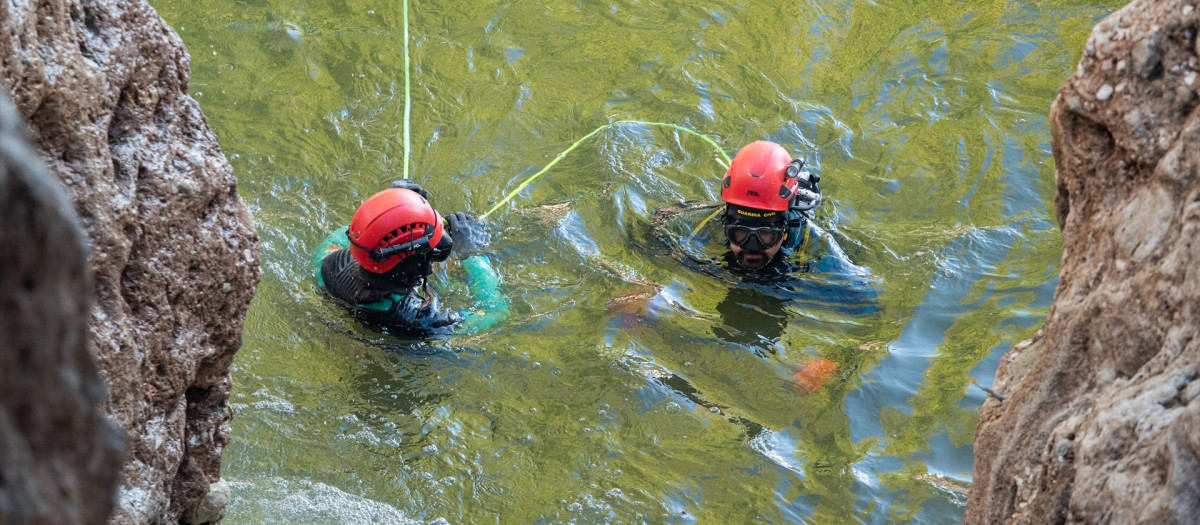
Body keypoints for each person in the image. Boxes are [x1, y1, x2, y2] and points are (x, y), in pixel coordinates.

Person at [313, 180, 507, 336]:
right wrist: (473, 254)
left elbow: (344, 236)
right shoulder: (423, 320)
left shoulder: (330, 264)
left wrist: (390, 207)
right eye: (432, 248)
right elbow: (496, 312)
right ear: (415, 264)